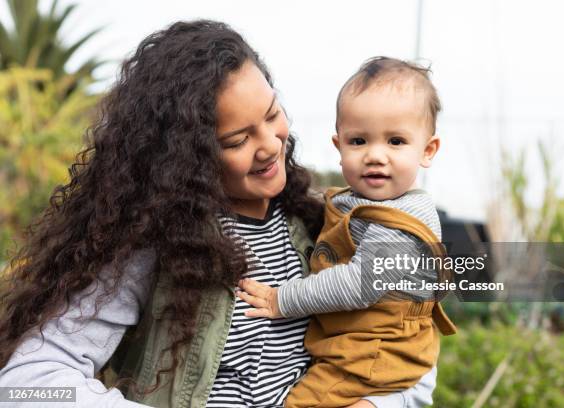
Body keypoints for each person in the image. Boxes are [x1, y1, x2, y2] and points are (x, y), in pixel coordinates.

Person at [0, 21, 437, 408]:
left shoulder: (327, 222)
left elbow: (407, 340)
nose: (270, 145)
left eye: (272, 115)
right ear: (186, 156)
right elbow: (25, 384)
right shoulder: (155, 241)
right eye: (237, 140)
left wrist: (381, 403)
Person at [237, 57, 457, 408]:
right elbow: (331, 206)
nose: (375, 155)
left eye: (396, 141)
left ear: (427, 150)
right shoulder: (357, 200)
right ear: (339, 147)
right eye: (359, 141)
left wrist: (283, 299)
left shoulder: (402, 222)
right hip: (354, 350)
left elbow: (360, 283)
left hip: (373, 356)